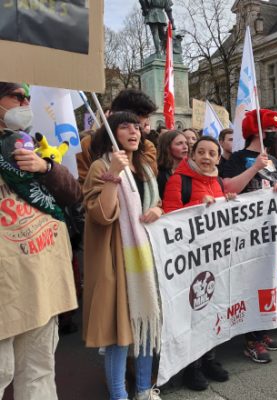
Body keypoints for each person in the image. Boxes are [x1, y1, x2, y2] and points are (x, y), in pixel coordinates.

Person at [0, 82, 81, 400]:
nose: (25, 103)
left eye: (28, 98)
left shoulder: (32, 145)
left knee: (39, 372)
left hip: (41, 280)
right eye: (17, 97)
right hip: (6, 284)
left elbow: (74, 195)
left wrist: (46, 167)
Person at [82, 112, 164, 400]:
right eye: (124, 126)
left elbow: (155, 202)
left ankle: (143, 388)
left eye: (137, 126)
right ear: (111, 132)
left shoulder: (144, 167)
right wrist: (114, 175)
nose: (134, 131)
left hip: (145, 259)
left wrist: (157, 210)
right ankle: (118, 395)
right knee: (118, 333)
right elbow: (102, 215)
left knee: (145, 323)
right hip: (116, 260)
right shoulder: (100, 166)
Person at [162, 137, 234, 391]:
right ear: (192, 155)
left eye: (211, 153)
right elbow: (171, 220)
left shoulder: (218, 182)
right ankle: (191, 367)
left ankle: (209, 359)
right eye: (201, 152)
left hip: (213, 260)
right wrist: (197, 205)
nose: (206, 157)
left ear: (217, 158)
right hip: (189, 261)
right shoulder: (178, 181)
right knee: (191, 313)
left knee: (211, 310)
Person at [223, 109, 277, 363]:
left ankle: (262, 329)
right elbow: (227, 187)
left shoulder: (274, 159)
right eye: (271, 131)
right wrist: (254, 168)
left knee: (267, 281)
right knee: (249, 283)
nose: (275, 135)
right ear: (258, 132)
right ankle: (250, 339)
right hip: (247, 234)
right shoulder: (238, 158)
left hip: (272, 231)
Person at [77, 89, 158, 184]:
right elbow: (83, 185)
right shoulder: (89, 144)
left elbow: (148, 178)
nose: (134, 131)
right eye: (126, 125)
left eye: (136, 126)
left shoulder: (147, 147)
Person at [156, 130, 187, 195]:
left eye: (186, 143)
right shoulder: (158, 173)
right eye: (179, 143)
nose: (185, 147)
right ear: (167, 147)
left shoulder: (192, 169)